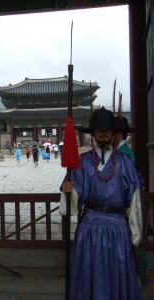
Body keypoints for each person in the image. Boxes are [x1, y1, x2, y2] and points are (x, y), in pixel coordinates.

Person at [61, 107, 143, 299]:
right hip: (90, 227)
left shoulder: (126, 162)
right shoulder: (81, 162)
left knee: (117, 275)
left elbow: (135, 199)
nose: (104, 132)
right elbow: (70, 205)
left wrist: (135, 234)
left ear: (114, 133)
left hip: (119, 229)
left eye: (107, 129)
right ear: (94, 134)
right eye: (99, 129)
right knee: (90, 275)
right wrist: (69, 191)